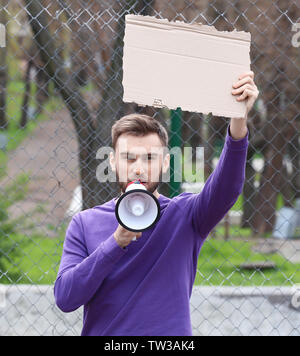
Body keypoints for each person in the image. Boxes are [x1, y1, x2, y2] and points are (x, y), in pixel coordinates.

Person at [54, 71, 259, 336]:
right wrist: (115, 243)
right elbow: (66, 298)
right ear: (113, 163)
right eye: (129, 159)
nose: (138, 168)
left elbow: (227, 188)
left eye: (149, 158)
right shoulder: (85, 223)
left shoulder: (185, 216)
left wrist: (238, 121)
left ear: (164, 164)